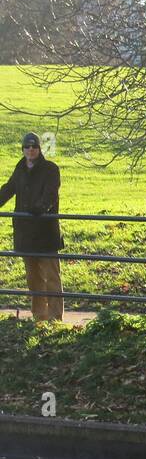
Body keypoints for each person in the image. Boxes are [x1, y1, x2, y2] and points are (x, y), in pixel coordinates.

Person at [0, 132, 64, 322]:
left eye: (34, 147)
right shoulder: (20, 168)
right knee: (33, 278)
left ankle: (55, 318)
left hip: (45, 232)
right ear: (23, 149)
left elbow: (51, 194)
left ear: (39, 148)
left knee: (52, 277)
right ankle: (39, 317)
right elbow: (9, 189)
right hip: (25, 233)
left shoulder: (50, 169)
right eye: (27, 147)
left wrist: (41, 208)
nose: (30, 150)